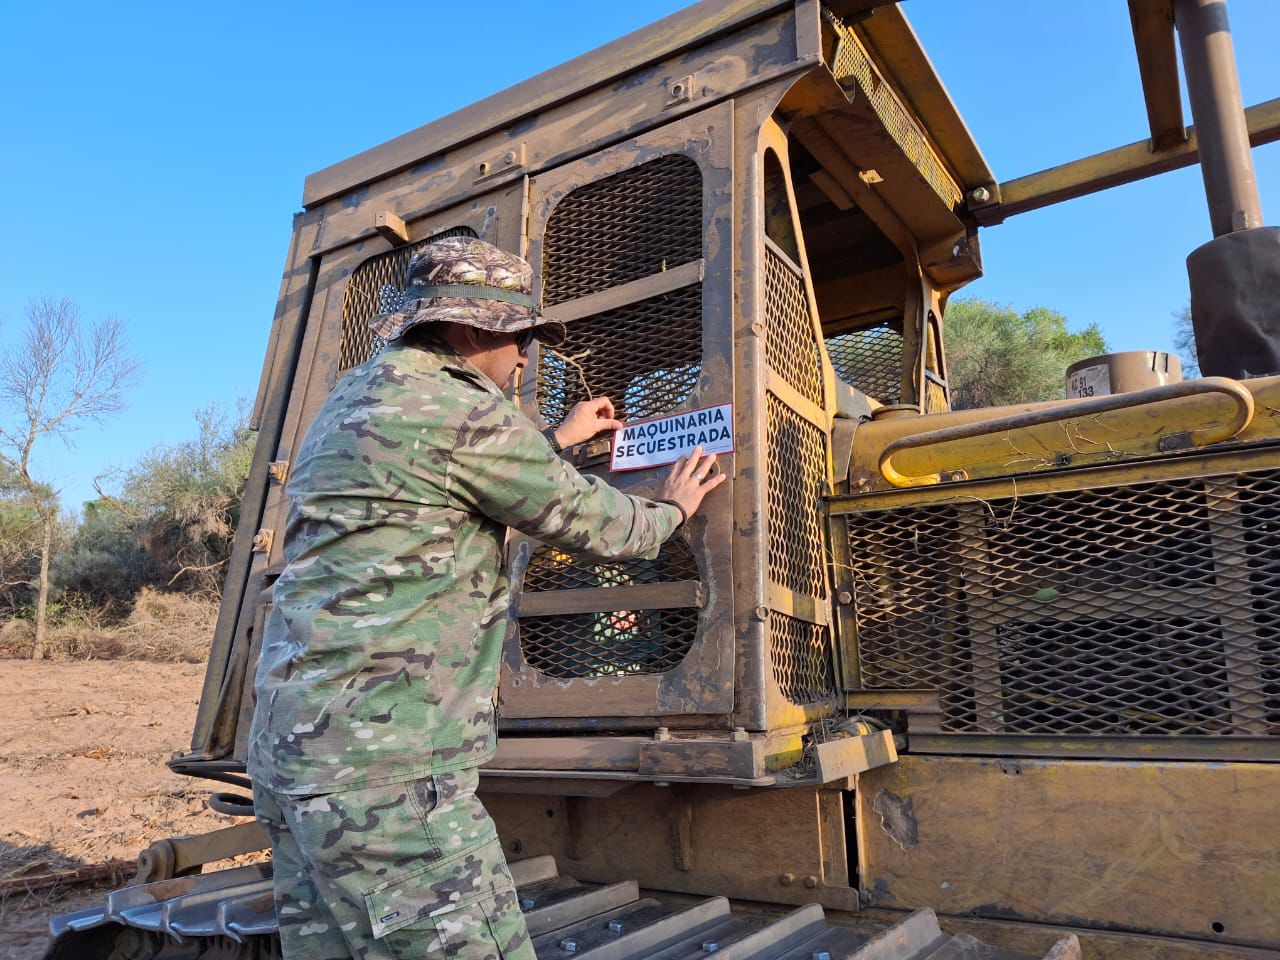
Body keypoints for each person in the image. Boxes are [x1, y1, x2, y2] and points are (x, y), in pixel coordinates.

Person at [248, 236, 724, 960]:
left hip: (295, 755)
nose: (526, 358)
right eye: (521, 338)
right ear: (474, 330)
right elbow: (601, 524)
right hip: (390, 771)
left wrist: (555, 440)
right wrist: (672, 509)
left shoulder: (357, 394)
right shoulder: (463, 411)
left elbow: (437, 481)